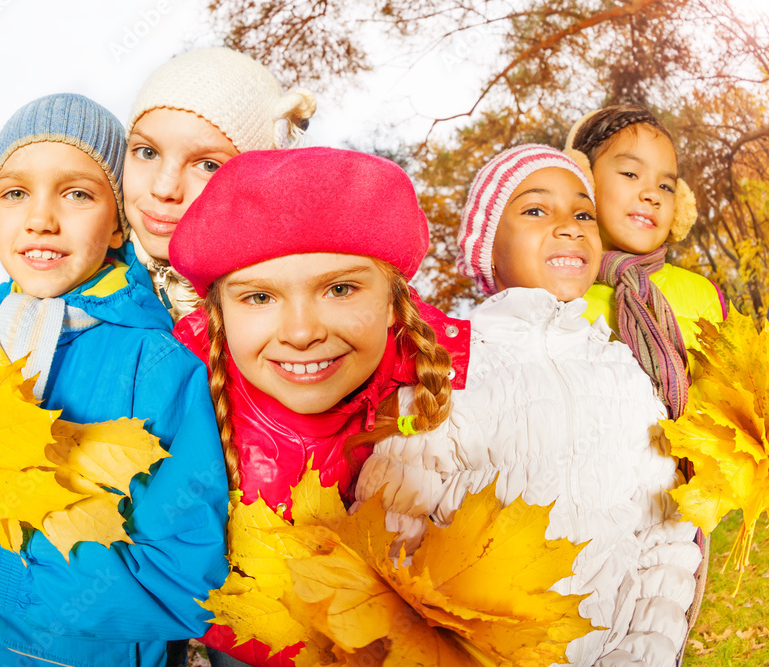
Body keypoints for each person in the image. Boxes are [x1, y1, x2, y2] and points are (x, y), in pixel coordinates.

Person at [0, 93, 229, 667]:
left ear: (116, 225)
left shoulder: (157, 367)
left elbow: (184, 588)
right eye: (14, 193)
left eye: (77, 193)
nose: (40, 219)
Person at [357, 144, 702, 666]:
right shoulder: (444, 371)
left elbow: (665, 529)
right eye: (536, 210)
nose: (569, 226)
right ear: (486, 248)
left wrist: (647, 652)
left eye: (584, 213)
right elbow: (393, 528)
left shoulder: (629, 373)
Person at [169, 147, 470, 667]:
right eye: (259, 298)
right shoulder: (180, 393)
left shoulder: (439, 383)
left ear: (395, 299)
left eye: (340, 288)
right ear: (217, 312)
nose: (303, 332)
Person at [123, 46, 316, 321]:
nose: (164, 189)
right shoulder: (70, 280)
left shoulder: (289, 317)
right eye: (147, 152)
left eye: (207, 166)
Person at [566, 104, 727, 419]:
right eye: (630, 173)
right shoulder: (556, 288)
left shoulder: (704, 294)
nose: (653, 194)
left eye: (666, 186)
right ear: (581, 180)